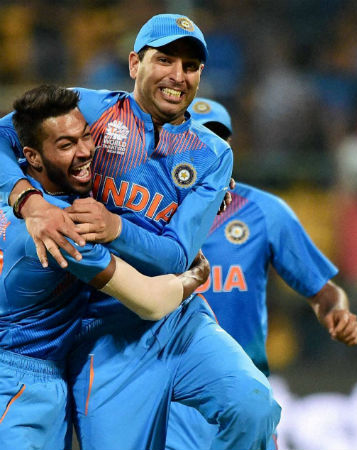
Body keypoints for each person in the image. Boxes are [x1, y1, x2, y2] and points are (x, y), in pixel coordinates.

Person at [0, 14, 280, 450]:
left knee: (254, 407)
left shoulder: (212, 153)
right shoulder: (89, 110)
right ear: (134, 63)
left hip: (179, 321)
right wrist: (30, 201)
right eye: (165, 60)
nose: (178, 75)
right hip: (103, 332)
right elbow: (4, 134)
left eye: (190, 66)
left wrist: (115, 227)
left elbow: (176, 256)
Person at [0, 85, 211, 450]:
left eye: (86, 136)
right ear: (32, 155)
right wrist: (195, 276)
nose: (84, 151)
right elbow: (151, 301)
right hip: (22, 379)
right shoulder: (64, 227)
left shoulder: (14, 187)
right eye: (66, 145)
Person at [166, 98, 357, 450]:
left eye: (218, 139)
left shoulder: (265, 212)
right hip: (173, 401)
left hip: (244, 395)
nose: (208, 148)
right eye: (198, 138)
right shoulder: (148, 209)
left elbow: (323, 291)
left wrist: (337, 311)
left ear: (231, 147)